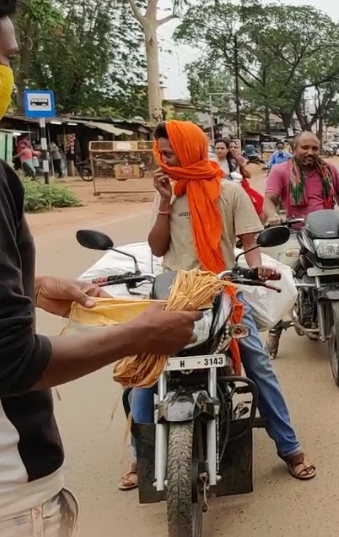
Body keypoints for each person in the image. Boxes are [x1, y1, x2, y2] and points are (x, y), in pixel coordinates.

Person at [0, 0, 197, 534]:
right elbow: (3, 364)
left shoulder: (231, 187)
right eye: (4, 57)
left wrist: (33, 286)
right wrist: (143, 332)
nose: (5, 71)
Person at [130, 120, 317, 486]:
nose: (164, 159)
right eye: (161, 153)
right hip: (174, 292)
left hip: (221, 291)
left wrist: (258, 270)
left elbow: (250, 246)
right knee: (145, 368)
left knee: (257, 364)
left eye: (170, 153)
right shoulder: (167, 190)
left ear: (188, 149)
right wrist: (166, 204)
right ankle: (139, 458)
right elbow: (156, 248)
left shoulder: (230, 192)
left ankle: (289, 447)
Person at [263, 131, 339, 352]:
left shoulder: (328, 170)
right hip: (296, 231)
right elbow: (268, 201)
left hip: (330, 233)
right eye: (305, 148)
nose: (310, 152)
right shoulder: (280, 171)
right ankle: (275, 332)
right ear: (293, 148)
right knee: (283, 281)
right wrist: (273, 216)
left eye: (314, 148)